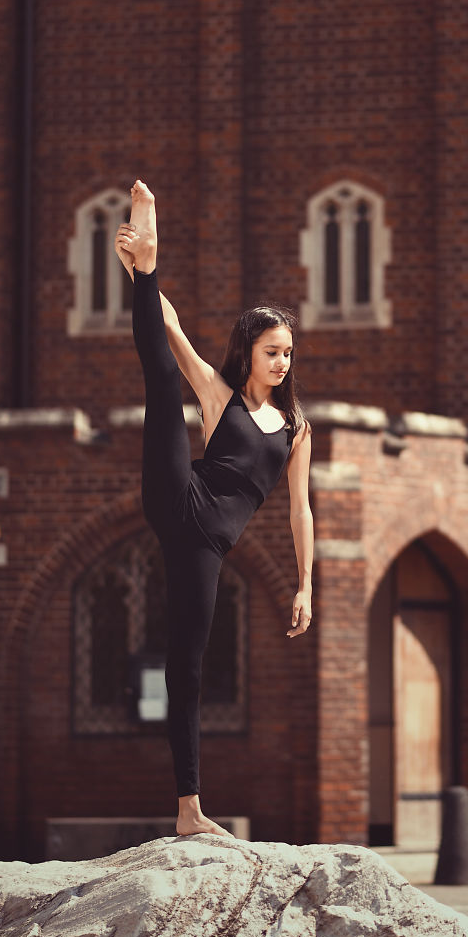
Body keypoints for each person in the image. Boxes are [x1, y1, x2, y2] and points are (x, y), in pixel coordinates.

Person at [115, 181, 313, 837]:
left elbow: (300, 512)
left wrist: (306, 584)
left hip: (205, 545)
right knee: (162, 380)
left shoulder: (296, 431)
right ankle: (149, 254)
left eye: (288, 353)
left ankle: (188, 810)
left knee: (187, 668)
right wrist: (143, 276)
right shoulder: (220, 396)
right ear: (249, 351)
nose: (281, 362)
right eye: (272, 351)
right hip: (178, 494)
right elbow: (170, 329)